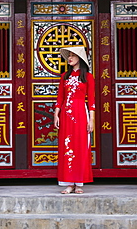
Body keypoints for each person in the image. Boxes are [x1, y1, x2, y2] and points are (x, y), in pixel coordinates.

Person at [54, 46, 95, 194]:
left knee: (80, 146)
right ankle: (68, 183)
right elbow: (60, 97)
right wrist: (56, 114)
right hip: (66, 114)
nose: (69, 58)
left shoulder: (88, 77)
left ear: (80, 58)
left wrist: (91, 120)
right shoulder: (64, 76)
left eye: (73, 55)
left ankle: (79, 183)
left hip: (80, 113)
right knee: (67, 147)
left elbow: (91, 100)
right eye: (69, 55)